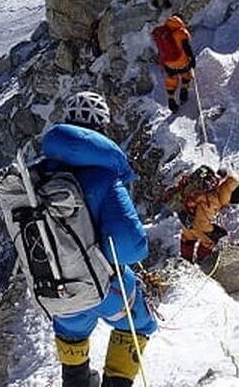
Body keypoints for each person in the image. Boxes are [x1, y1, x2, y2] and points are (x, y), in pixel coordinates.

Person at [42, 91, 157, 387]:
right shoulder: (105, 178)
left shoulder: (38, 174)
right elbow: (131, 246)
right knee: (140, 324)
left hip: (57, 286)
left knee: (71, 328)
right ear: (103, 128)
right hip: (105, 285)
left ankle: (76, 382)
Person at [179, 168, 239, 266]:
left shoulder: (217, 187)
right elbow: (201, 223)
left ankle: (185, 261)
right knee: (209, 241)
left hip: (186, 213)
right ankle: (202, 260)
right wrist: (213, 230)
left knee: (188, 237)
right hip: (193, 221)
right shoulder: (213, 202)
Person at [151, 14, 195, 113]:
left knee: (172, 79)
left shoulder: (163, 31)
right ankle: (183, 95)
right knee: (186, 75)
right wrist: (192, 60)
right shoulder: (182, 32)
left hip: (168, 63)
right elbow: (187, 48)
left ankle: (171, 100)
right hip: (181, 62)